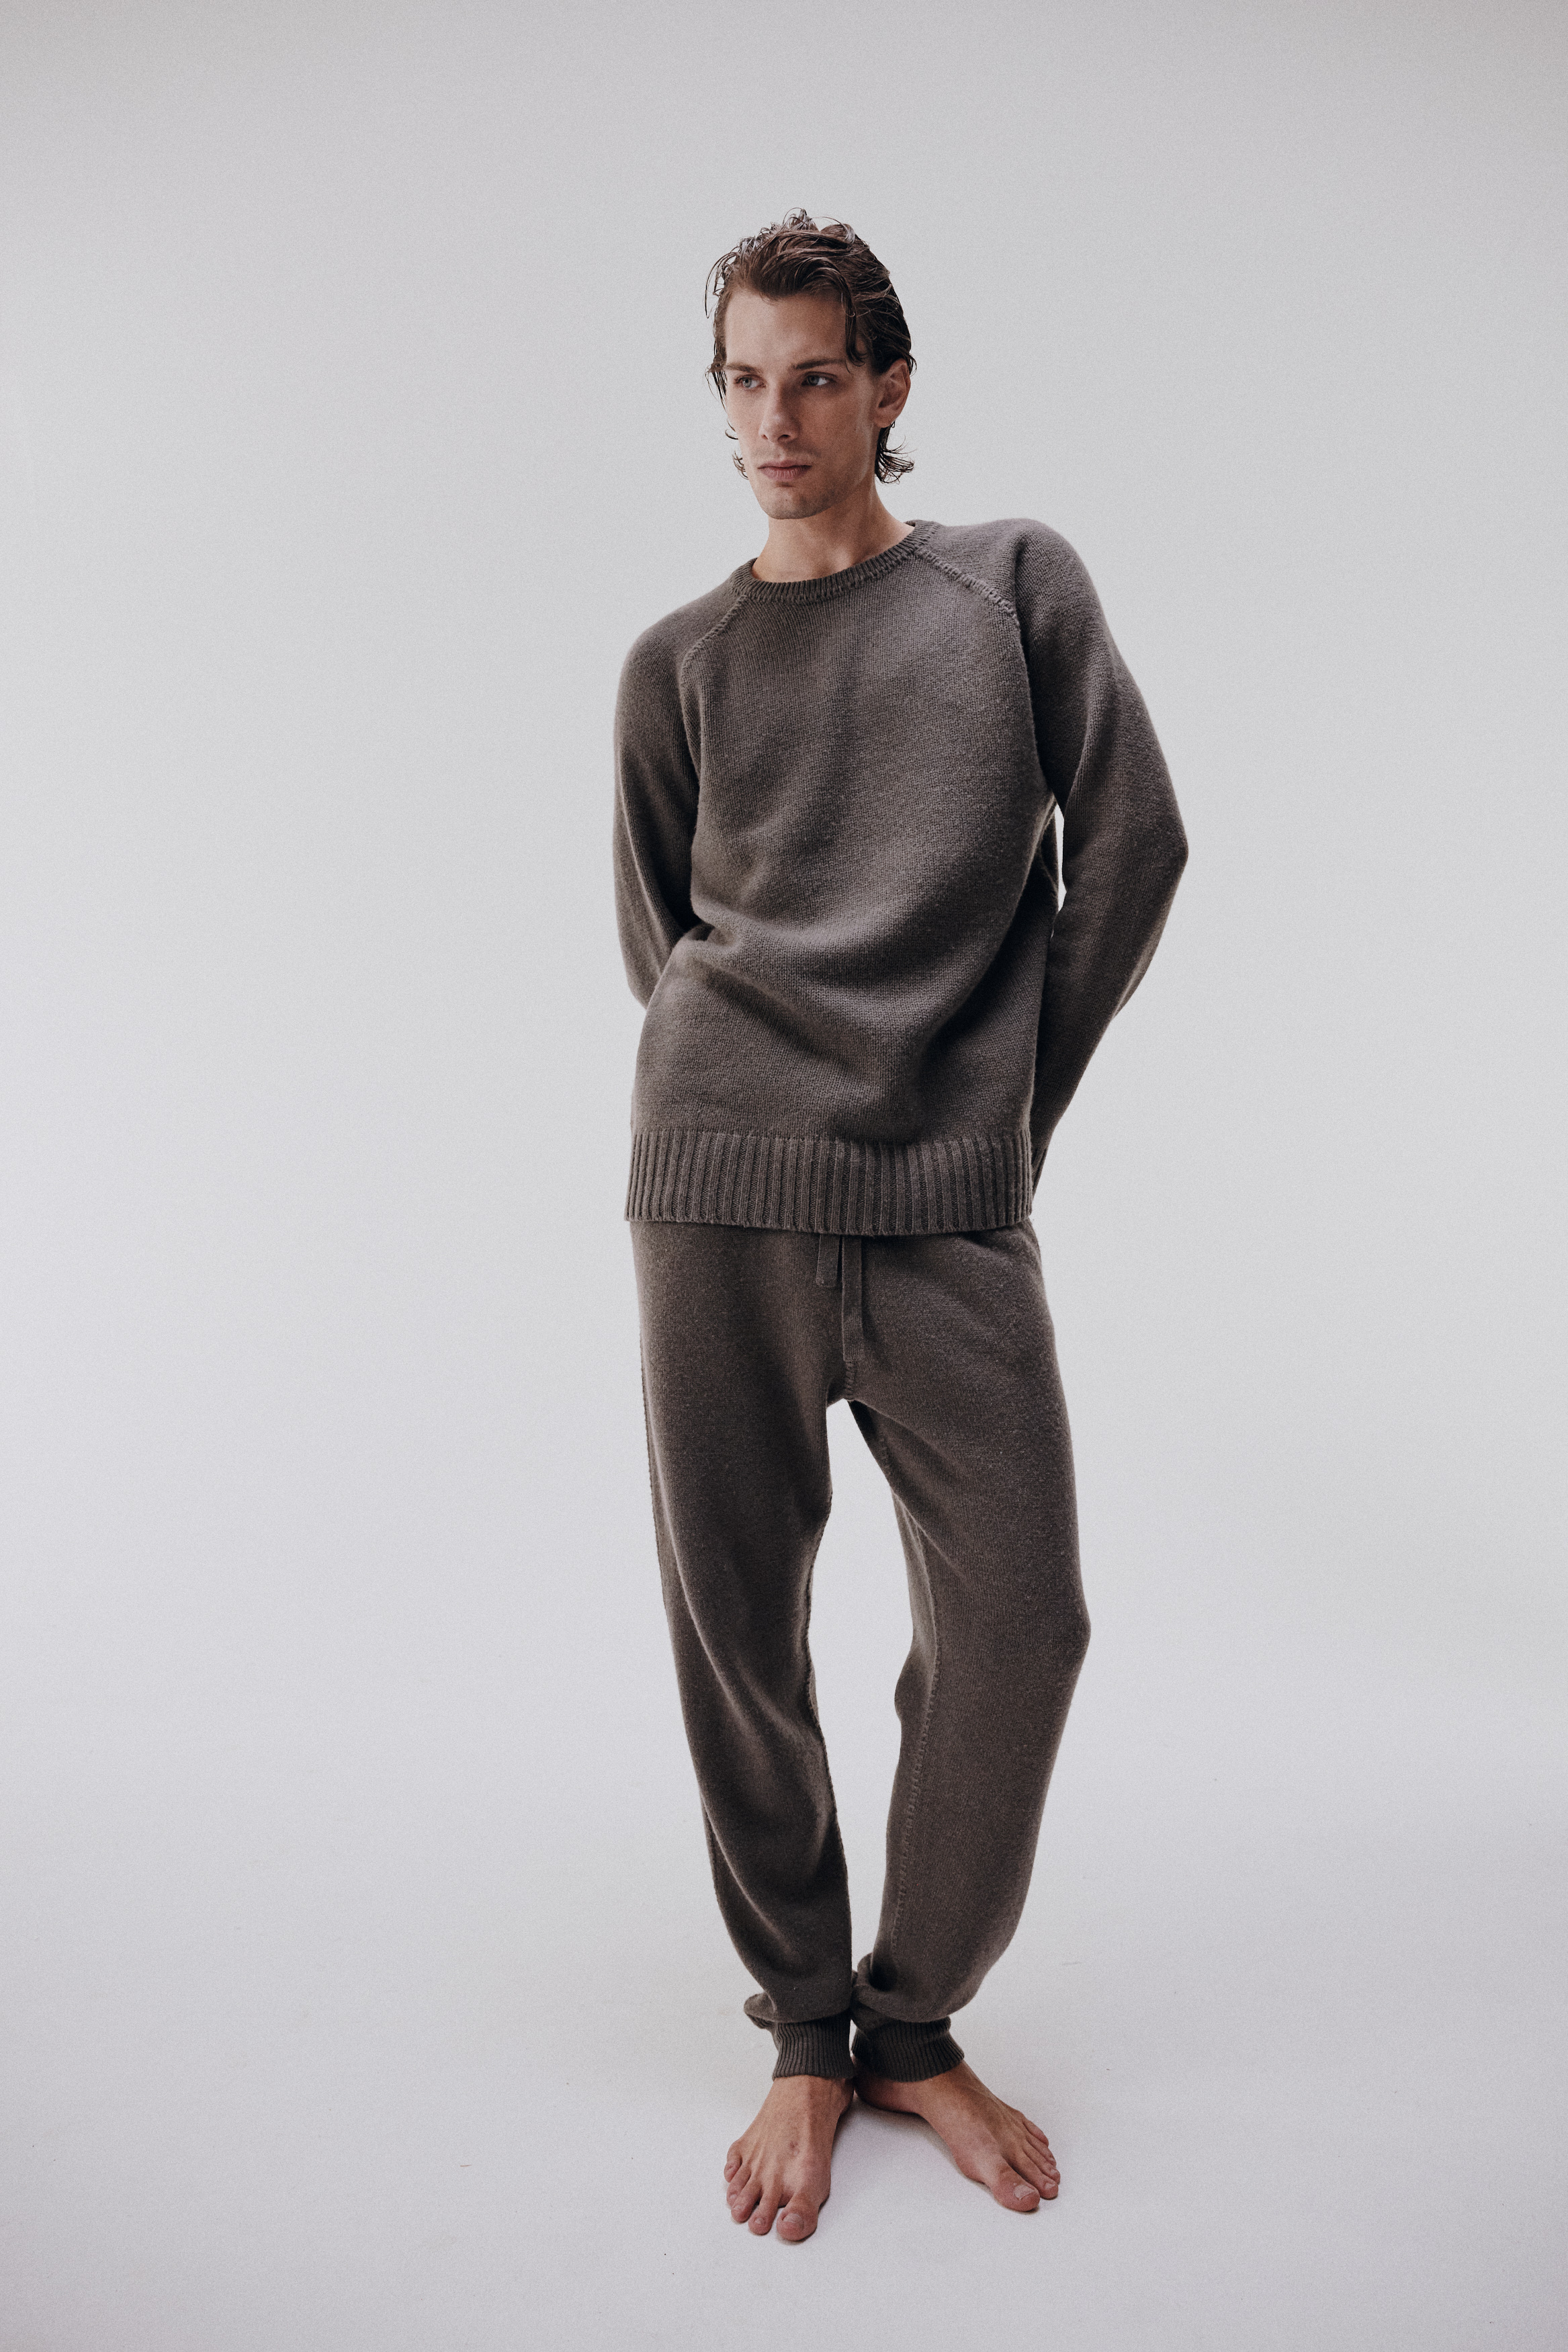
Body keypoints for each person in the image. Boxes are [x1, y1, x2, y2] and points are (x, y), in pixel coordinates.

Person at [611, 210, 1187, 2244]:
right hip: (717, 1192)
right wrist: (745, 1100)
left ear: (890, 388)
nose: (776, 421)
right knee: (737, 1619)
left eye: (817, 378)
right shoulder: (675, 664)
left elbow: (1136, 841)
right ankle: (804, 2026)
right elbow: (665, 948)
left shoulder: (1009, 587)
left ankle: (913, 2014)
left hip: (948, 1208)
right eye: (744, 382)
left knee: (1023, 1618)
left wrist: (998, 1107)